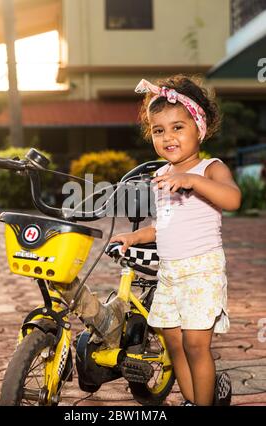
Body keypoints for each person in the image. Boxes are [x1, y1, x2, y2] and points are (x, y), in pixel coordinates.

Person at [110, 75, 242, 406]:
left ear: (200, 128)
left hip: (202, 271)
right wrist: (135, 236)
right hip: (170, 273)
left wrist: (192, 181)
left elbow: (232, 200)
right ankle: (192, 400)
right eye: (159, 130)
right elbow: (164, 226)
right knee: (174, 343)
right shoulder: (161, 176)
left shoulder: (211, 168)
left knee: (196, 345)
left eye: (178, 127)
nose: (168, 136)